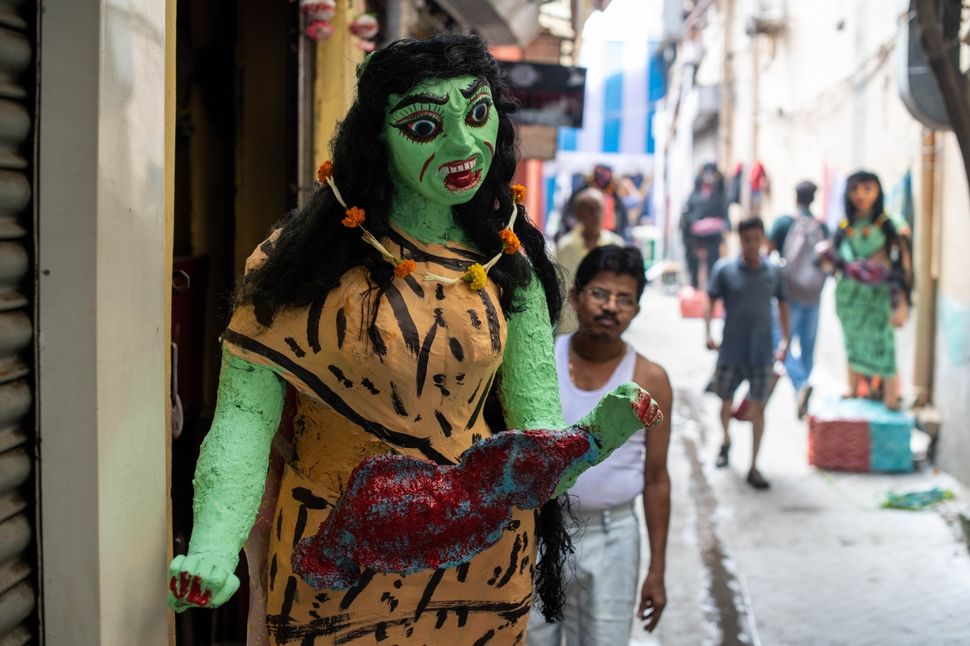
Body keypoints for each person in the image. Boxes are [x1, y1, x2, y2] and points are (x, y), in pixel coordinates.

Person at [165, 34, 662, 645]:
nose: (463, 146)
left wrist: (592, 440)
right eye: (426, 126)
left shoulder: (509, 269)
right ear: (377, 138)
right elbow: (243, 420)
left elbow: (535, 449)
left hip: (482, 572)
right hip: (333, 561)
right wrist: (213, 543)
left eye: (477, 115)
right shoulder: (298, 267)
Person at [527, 245, 672, 645]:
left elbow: (657, 479)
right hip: (540, 530)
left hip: (613, 537)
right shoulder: (540, 363)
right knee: (533, 639)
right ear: (575, 296)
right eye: (600, 294)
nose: (611, 307)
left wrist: (656, 570)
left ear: (637, 310)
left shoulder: (650, 379)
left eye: (624, 299)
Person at [705, 217, 789, 489]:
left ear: (763, 239)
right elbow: (710, 300)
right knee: (725, 402)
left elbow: (783, 304)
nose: (752, 244)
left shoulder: (773, 272)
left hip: (762, 352)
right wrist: (708, 332)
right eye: (746, 239)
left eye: (756, 238)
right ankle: (726, 440)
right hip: (731, 349)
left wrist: (786, 340)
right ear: (739, 240)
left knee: (758, 408)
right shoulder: (725, 270)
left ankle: (753, 466)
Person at [826, 171, 911, 410]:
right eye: (854, 189)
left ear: (877, 191)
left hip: (878, 297)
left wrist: (902, 299)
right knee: (852, 342)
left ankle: (890, 396)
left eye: (867, 189)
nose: (860, 195)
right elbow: (833, 261)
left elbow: (904, 264)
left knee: (884, 344)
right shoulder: (844, 226)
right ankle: (853, 389)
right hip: (849, 297)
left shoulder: (890, 225)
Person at [768, 180, 829, 418]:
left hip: (788, 295)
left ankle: (800, 385)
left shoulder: (783, 223)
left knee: (780, 342)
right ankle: (801, 392)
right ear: (813, 198)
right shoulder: (821, 226)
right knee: (808, 347)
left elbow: (768, 252)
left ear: (795, 196)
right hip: (813, 295)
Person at [555, 188, 626, 334]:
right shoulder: (565, 247)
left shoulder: (616, 245)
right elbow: (559, 289)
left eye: (598, 209)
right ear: (579, 214)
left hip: (606, 326)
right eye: (589, 210)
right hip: (570, 327)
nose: (595, 215)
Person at [682, 162, 729, 289]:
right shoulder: (694, 195)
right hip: (695, 238)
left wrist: (716, 224)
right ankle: (695, 287)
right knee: (694, 265)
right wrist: (696, 225)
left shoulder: (720, 196)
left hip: (713, 238)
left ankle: (711, 290)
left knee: (712, 266)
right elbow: (686, 216)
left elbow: (725, 216)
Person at [559, 163, 631, 241]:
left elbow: (623, 220)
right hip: (582, 236)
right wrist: (576, 228)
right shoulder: (582, 192)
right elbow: (568, 215)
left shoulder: (614, 196)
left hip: (608, 235)